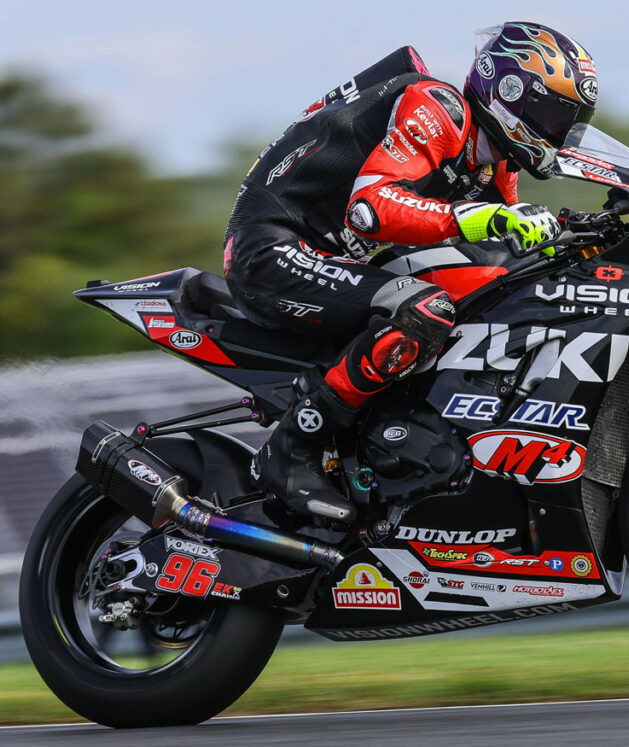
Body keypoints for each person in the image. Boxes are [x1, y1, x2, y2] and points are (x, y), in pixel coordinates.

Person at [222, 22, 599, 521]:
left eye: (571, 123)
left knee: (493, 287)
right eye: (554, 115)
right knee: (423, 309)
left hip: (341, 261)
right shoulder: (438, 108)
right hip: (272, 249)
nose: (559, 134)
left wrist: (577, 233)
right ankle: (293, 448)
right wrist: (478, 217)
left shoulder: (496, 164)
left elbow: (500, 249)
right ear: (510, 91)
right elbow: (369, 209)